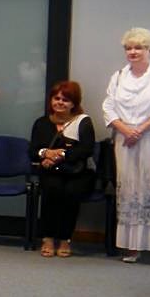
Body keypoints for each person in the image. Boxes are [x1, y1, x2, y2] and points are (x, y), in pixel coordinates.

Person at [103, 27, 150, 268]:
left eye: (138, 47)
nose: (133, 52)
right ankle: (132, 247)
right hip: (125, 141)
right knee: (129, 192)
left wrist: (140, 130)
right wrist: (126, 130)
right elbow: (108, 107)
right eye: (128, 48)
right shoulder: (118, 76)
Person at [29, 80, 96, 257]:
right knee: (52, 189)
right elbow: (33, 150)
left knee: (71, 192)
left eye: (65, 100)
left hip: (77, 172)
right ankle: (48, 237)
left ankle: (65, 238)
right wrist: (46, 153)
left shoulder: (83, 122)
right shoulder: (41, 123)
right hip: (51, 171)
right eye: (56, 98)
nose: (60, 102)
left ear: (74, 103)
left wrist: (60, 155)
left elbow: (86, 149)